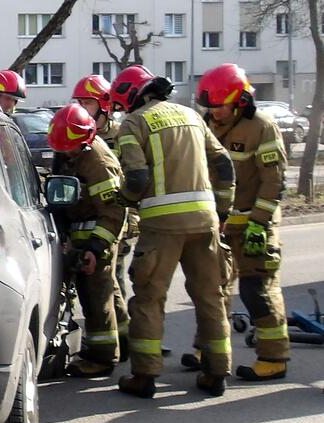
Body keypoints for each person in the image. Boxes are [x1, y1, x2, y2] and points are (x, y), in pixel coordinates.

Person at [111, 65, 236, 398]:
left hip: (162, 227)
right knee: (211, 297)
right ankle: (216, 371)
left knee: (150, 300)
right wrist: (222, 210)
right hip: (205, 221)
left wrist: (120, 197)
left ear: (129, 95)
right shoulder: (192, 116)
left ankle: (145, 376)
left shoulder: (133, 123)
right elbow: (224, 164)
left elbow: (136, 180)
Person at [190, 64, 290, 381]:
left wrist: (259, 223)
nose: (215, 112)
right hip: (221, 226)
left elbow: (273, 181)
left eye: (220, 105)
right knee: (212, 290)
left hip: (255, 225)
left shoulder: (262, 127)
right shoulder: (207, 125)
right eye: (210, 107)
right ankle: (209, 351)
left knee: (256, 290)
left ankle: (274, 358)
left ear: (240, 100)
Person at [47, 104, 128, 377]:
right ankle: (124, 343)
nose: (65, 152)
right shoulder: (70, 152)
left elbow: (114, 212)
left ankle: (102, 358)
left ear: (85, 140)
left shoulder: (99, 163)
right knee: (109, 293)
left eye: (69, 148)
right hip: (83, 234)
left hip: (99, 236)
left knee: (96, 298)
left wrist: (96, 247)